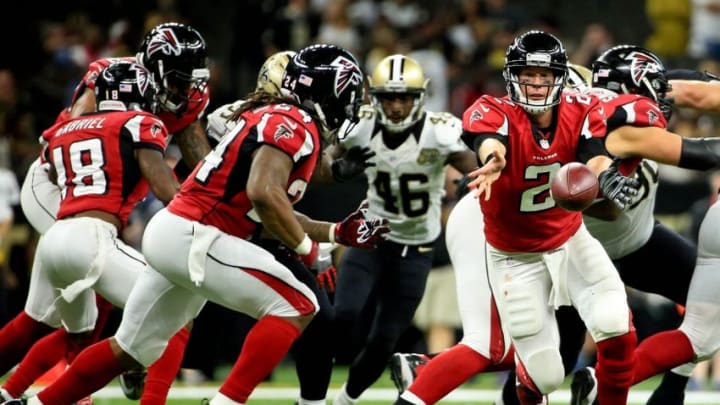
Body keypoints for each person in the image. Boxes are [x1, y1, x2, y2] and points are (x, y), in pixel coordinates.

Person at [0, 43, 391, 405]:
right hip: (198, 235)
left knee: (129, 349)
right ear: (327, 92)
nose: (350, 106)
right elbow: (262, 192)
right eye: (347, 95)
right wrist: (308, 251)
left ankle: (36, 403)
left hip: (173, 231)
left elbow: (266, 211)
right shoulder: (294, 122)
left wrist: (335, 232)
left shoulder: (270, 118)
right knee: (299, 303)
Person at [393, 45, 720, 405]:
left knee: (688, 309)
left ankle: (659, 390)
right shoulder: (615, 119)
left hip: (619, 239)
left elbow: (695, 90)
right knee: (534, 359)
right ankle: (433, 371)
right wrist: (499, 164)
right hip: (543, 236)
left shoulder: (592, 103)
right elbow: (697, 154)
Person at [1, 21, 211, 404]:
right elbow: (70, 147)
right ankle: (122, 370)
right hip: (58, 191)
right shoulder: (116, 84)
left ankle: (14, 391)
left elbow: (201, 161)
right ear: (155, 70)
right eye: (180, 81)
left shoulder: (160, 106)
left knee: (67, 323)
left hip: (77, 204)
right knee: (161, 303)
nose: (188, 92)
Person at [322, 53, 477, 405]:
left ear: (419, 97)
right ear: (374, 97)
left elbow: (475, 166)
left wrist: (470, 182)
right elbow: (323, 162)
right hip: (371, 240)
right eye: (388, 97)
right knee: (343, 313)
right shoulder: (360, 125)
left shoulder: (440, 131)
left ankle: (345, 400)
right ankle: (314, 387)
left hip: (416, 249)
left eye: (403, 97)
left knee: (384, 339)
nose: (395, 105)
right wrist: (338, 167)